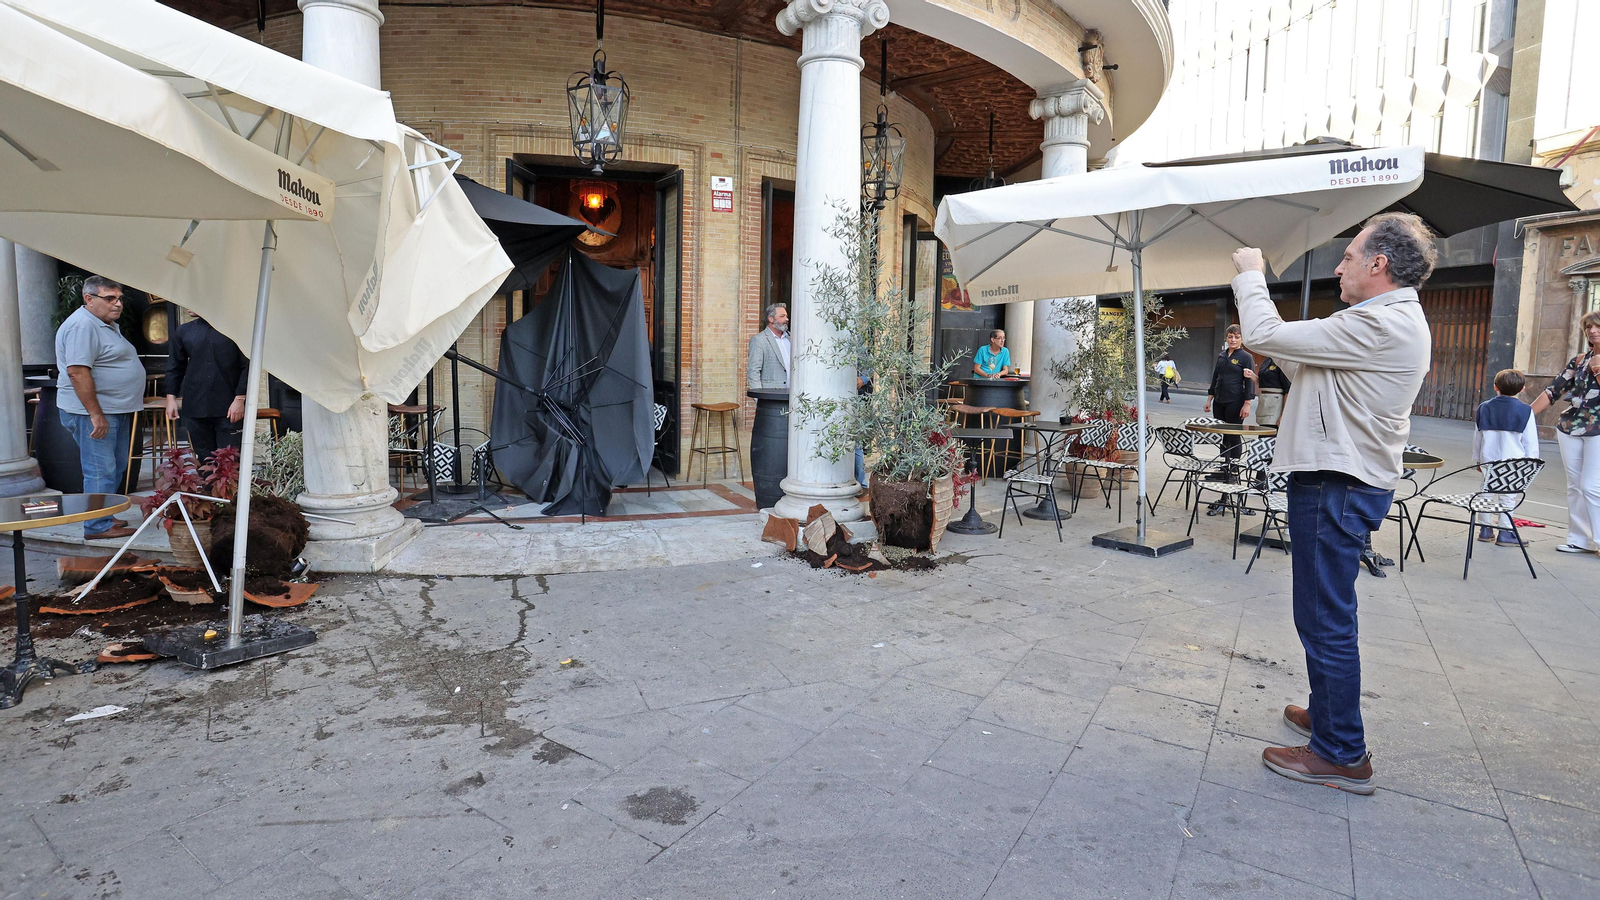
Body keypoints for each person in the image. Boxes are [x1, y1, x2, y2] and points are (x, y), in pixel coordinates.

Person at [1230, 211, 1436, 795]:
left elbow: (1264, 336)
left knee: (1324, 619)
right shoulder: (1377, 322)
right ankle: (1330, 718)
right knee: (1324, 614)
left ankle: (1342, 753)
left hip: (1336, 482)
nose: (1339, 265)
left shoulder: (1382, 324)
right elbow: (1307, 369)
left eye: (1349, 256)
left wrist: (1250, 275)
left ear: (1379, 264)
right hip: (1337, 479)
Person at [55, 276, 145, 540]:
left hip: (114, 409)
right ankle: (96, 526)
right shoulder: (83, 326)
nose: (117, 304)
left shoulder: (103, 323)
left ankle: (103, 514)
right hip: (93, 413)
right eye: (110, 298)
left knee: (114, 467)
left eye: (120, 299)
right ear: (89, 299)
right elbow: (78, 372)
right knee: (100, 469)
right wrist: (96, 414)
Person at [1531, 310, 1600, 556]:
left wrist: (1598, 369)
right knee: (1575, 486)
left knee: (1592, 485)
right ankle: (1580, 539)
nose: (1592, 331)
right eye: (1588, 327)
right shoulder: (1579, 360)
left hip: (1599, 430)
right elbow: (1553, 390)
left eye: (1597, 326)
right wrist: (1526, 416)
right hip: (1571, 427)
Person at [165, 315, 250, 464]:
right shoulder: (184, 331)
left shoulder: (235, 329)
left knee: (230, 460)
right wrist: (171, 398)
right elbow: (175, 366)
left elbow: (247, 365)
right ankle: (208, 488)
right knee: (205, 459)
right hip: (195, 403)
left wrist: (240, 398)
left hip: (229, 405)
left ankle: (232, 488)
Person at [1473, 369, 1541, 546]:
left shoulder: (1484, 408)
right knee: (1508, 496)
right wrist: (1531, 463)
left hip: (1489, 458)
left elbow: (1478, 436)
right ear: (1522, 389)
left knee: (1486, 493)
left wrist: (1477, 459)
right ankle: (1505, 531)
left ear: (1495, 387)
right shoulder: (1526, 411)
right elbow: (1530, 442)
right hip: (1514, 462)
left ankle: (1485, 529)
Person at [1202, 325, 1255, 515]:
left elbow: (1249, 381)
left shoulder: (1246, 357)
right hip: (1220, 401)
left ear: (1242, 339)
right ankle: (1224, 467)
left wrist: (1247, 403)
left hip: (1236, 401)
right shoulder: (1222, 356)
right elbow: (1216, 377)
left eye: (1237, 337)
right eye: (1231, 336)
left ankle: (1233, 471)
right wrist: (1209, 399)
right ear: (1227, 338)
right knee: (1222, 438)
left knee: (1233, 437)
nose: (1233, 340)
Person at [747, 304, 790, 391]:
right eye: (782, 316)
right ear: (771, 319)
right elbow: (753, 371)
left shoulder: (792, 338)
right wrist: (759, 397)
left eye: (786, 316)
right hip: (771, 396)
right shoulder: (759, 340)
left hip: (794, 396)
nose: (786, 319)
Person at [1249, 354, 1291, 426]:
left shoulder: (1283, 361)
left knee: (1271, 431)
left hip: (1276, 401)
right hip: (1264, 401)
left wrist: (1283, 415)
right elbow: (1262, 383)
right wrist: (1252, 375)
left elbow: (1288, 390)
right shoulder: (1267, 360)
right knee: (1262, 429)